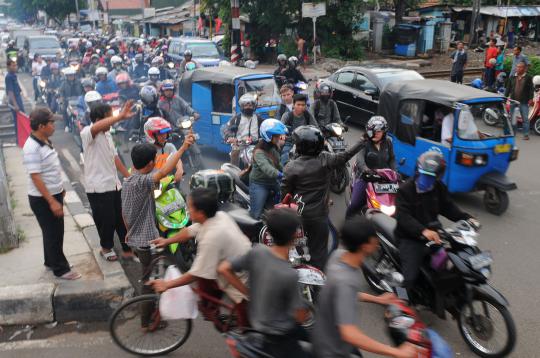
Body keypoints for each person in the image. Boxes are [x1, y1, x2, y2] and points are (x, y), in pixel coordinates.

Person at [312, 216, 416, 358]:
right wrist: (396, 352)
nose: (378, 240)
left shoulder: (338, 256)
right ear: (365, 246)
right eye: (374, 237)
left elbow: (340, 295)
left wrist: (377, 299)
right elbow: (349, 333)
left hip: (327, 337)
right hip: (332, 350)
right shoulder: (346, 280)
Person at [147, 187, 251, 329]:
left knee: (246, 332)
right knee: (206, 288)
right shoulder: (219, 216)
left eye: (190, 207)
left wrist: (167, 285)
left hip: (241, 283)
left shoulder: (212, 237)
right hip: (231, 265)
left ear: (201, 213)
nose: (188, 210)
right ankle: (212, 310)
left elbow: (195, 273)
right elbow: (190, 231)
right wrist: (166, 241)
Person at [218, 208, 311, 357]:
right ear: (295, 235)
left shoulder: (258, 251)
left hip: (256, 325)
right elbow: (300, 316)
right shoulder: (289, 274)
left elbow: (223, 269)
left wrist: (248, 293)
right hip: (280, 338)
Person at [281, 125, 364, 269]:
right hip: (319, 216)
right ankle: (317, 285)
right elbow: (345, 156)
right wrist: (362, 141)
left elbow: (286, 193)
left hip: (298, 215)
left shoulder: (291, 167)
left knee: (295, 251)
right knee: (319, 254)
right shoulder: (325, 159)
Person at [396, 150, 476, 290]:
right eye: (423, 174)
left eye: (431, 177)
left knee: (449, 265)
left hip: (434, 235)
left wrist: (467, 218)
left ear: (437, 177)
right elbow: (403, 217)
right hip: (409, 238)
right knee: (408, 279)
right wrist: (422, 230)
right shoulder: (405, 189)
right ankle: (397, 304)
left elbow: (448, 207)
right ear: (418, 170)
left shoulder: (438, 188)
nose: (426, 179)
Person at [23, 107, 81, 280]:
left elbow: (51, 170)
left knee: (53, 232)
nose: (54, 126)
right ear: (41, 126)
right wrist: (51, 201)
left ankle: (51, 261)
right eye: (51, 123)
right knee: (53, 233)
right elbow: (36, 177)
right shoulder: (32, 147)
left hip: (52, 194)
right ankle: (60, 269)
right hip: (42, 198)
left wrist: (60, 190)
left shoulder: (45, 140)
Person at [81, 101, 135, 262]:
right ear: (98, 119)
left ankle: (127, 249)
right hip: (98, 187)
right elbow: (96, 127)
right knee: (106, 220)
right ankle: (106, 248)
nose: (112, 122)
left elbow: (115, 158)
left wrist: (127, 176)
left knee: (121, 218)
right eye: (109, 119)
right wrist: (119, 116)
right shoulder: (87, 133)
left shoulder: (108, 135)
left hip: (114, 184)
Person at [346, 116, 395, 217]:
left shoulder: (388, 142)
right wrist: (366, 170)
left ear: (384, 132)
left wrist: (394, 172)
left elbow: (392, 159)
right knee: (355, 204)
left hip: (383, 178)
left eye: (378, 131)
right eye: (373, 131)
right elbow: (360, 159)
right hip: (366, 177)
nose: (375, 134)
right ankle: (347, 224)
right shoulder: (365, 142)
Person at [249, 119, 288, 219]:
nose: (279, 137)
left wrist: (288, 172)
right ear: (268, 135)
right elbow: (267, 169)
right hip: (259, 183)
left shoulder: (274, 147)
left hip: (273, 181)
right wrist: (280, 174)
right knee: (256, 215)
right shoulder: (259, 152)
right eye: (276, 135)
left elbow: (278, 164)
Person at [222, 93, 262, 167]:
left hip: (255, 144)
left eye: (250, 105)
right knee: (234, 154)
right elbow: (225, 128)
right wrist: (230, 137)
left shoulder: (258, 118)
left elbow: (265, 127)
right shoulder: (237, 118)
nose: (248, 107)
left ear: (253, 106)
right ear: (242, 107)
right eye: (246, 105)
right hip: (240, 144)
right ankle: (234, 174)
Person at [280, 94, 318, 166]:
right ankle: (283, 175)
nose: (301, 107)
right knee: (285, 157)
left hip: (306, 142)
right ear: (293, 105)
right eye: (298, 104)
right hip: (290, 142)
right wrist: (282, 135)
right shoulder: (287, 116)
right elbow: (280, 129)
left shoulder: (308, 115)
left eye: (303, 105)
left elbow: (316, 128)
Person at [144, 117, 184, 183]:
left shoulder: (169, 146)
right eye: (160, 134)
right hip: (150, 184)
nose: (164, 136)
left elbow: (177, 158)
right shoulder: (144, 150)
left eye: (165, 133)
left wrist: (180, 170)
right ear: (151, 135)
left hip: (167, 183)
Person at [505, 61, 534, 140]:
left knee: (525, 119)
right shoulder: (512, 77)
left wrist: (531, 98)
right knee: (513, 118)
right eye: (517, 67)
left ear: (524, 68)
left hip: (523, 101)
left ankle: (526, 134)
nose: (518, 68)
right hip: (513, 101)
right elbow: (508, 88)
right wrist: (504, 98)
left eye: (520, 67)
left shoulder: (528, 77)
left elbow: (531, 89)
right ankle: (513, 133)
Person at [5, 59, 25, 144]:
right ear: (8, 66)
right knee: (18, 121)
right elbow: (10, 92)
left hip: (18, 98)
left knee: (22, 119)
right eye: (13, 65)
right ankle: (19, 140)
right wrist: (15, 104)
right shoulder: (9, 77)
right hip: (15, 100)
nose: (15, 67)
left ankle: (23, 138)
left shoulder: (14, 75)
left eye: (15, 65)